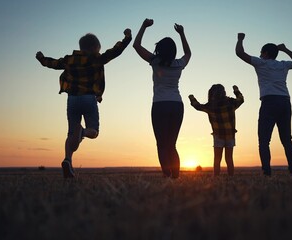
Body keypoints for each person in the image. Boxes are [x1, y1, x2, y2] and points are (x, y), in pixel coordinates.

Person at [36, 29, 132, 178]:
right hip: (89, 98)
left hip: (72, 99)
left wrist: (41, 58)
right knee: (93, 131)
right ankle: (82, 132)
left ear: (81, 48)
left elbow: (53, 63)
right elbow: (116, 51)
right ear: (95, 49)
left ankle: (67, 159)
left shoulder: (69, 59)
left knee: (70, 134)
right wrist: (127, 37)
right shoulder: (96, 59)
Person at [235, 33, 292, 176]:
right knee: (286, 139)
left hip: (269, 102)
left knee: (264, 140)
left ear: (265, 53)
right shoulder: (283, 65)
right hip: (285, 102)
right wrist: (285, 49)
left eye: (261, 53)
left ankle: (267, 172)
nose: (259, 55)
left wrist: (240, 39)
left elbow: (239, 53)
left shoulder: (261, 63)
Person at [133, 18, 191, 178]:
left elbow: (136, 46)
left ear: (159, 49)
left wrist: (143, 26)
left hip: (159, 105)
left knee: (162, 144)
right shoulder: (179, 63)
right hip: (177, 105)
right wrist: (182, 34)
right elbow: (188, 53)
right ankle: (175, 177)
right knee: (172, 144)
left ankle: (167, 176)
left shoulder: (155, 61)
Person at [189, 84, 244, 176]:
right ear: (224, 92)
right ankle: (231, 178)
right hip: (230, 136)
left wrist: (192, 98)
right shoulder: (231, 103)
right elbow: (241, 99)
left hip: (218, 136)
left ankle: (216, 178)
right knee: (229, 159)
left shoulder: (211, 106)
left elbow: (197, 106)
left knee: (217, 159)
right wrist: (236, 90)